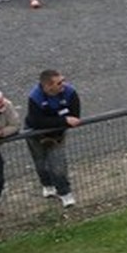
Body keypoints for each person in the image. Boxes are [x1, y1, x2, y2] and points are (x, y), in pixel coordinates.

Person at [25, 69, 81, 208]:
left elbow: (75, 117)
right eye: (59, 83)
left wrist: (55, 123)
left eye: (63, 80)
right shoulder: (35, 97)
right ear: (48, 86)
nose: (64, 84)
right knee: (41, 163)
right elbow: (37, 122)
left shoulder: (70, 92)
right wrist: (63, 120)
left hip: (57, 135)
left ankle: (65, 192)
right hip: (35, 135)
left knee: (58, 164)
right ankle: (47, 184)